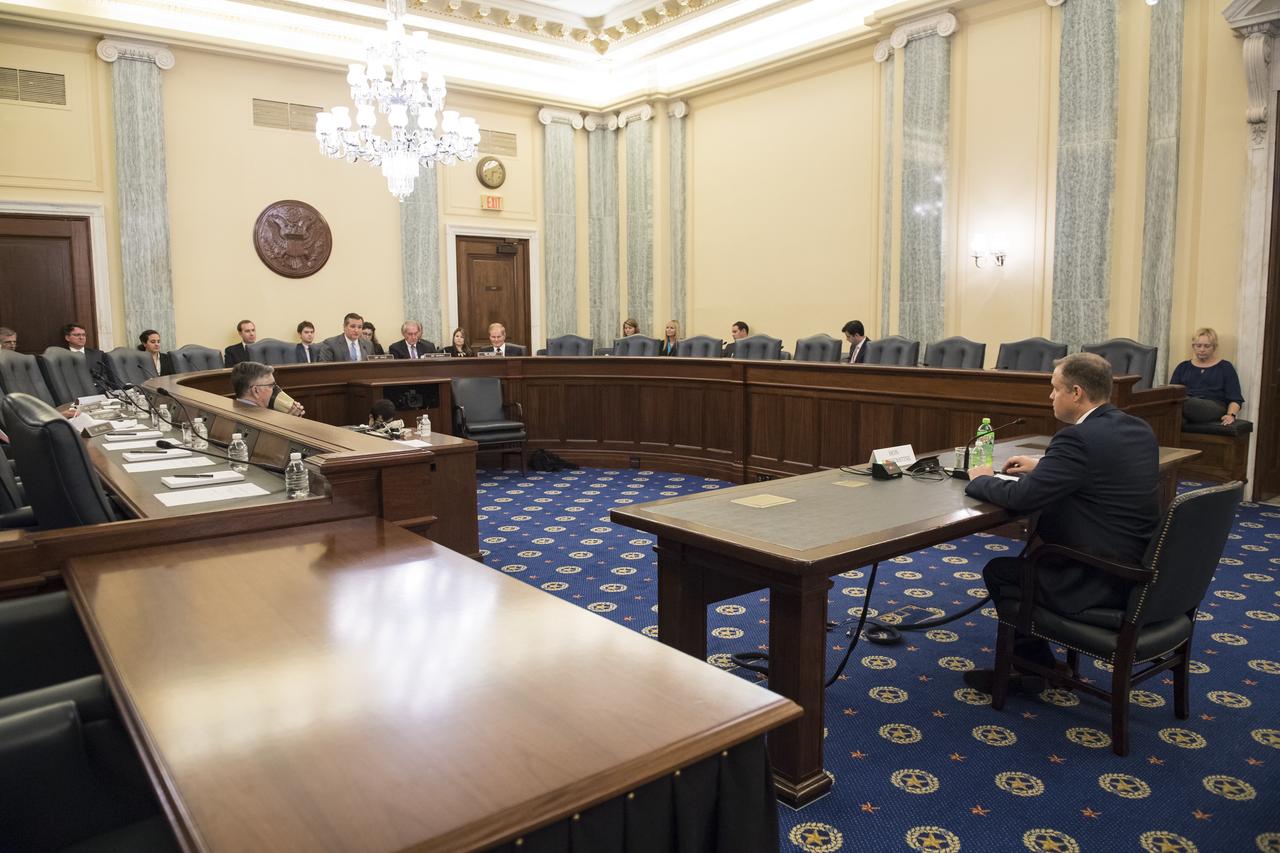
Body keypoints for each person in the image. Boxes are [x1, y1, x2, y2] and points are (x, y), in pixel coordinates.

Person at [961, 352, 1159, 693]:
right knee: (1025, 561)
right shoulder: (1136, 428)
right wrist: (1045, 465)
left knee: (1002, 571)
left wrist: (979, 478)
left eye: (1055, 389)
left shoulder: (1077, 439)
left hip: (1098, 575)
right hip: (1141, 566)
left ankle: (1031, 669)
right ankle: (1037, 664)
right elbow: (1103, 470)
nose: (1051, 396)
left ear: (1077, 393)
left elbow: (1022, 498)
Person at [1169, 327, 1244, 426]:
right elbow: (1172, 392)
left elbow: (1235, 398)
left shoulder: (1225, 367)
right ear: (1193, 346)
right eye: (1198, 346)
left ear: (1214, 347)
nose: (1202, 350)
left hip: (1214, 405)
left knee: (1183, 402)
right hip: (1187, 405)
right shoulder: (1183, 367)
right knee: (1173, 416)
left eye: (1207, 346)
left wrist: (1231, 415)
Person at [230, 361, 304, 416]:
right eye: (271, 385)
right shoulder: (257, 420)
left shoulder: (233, 410)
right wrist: (287, 423)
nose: (276, 389)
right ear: (256, 391)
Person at [62, 323, 116, 387]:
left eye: (84, 335)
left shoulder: (98, 355)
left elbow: (105, 378)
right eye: (77, 335)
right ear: (67, 338)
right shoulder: (61, 357)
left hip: (97, 392)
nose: (81, 337)